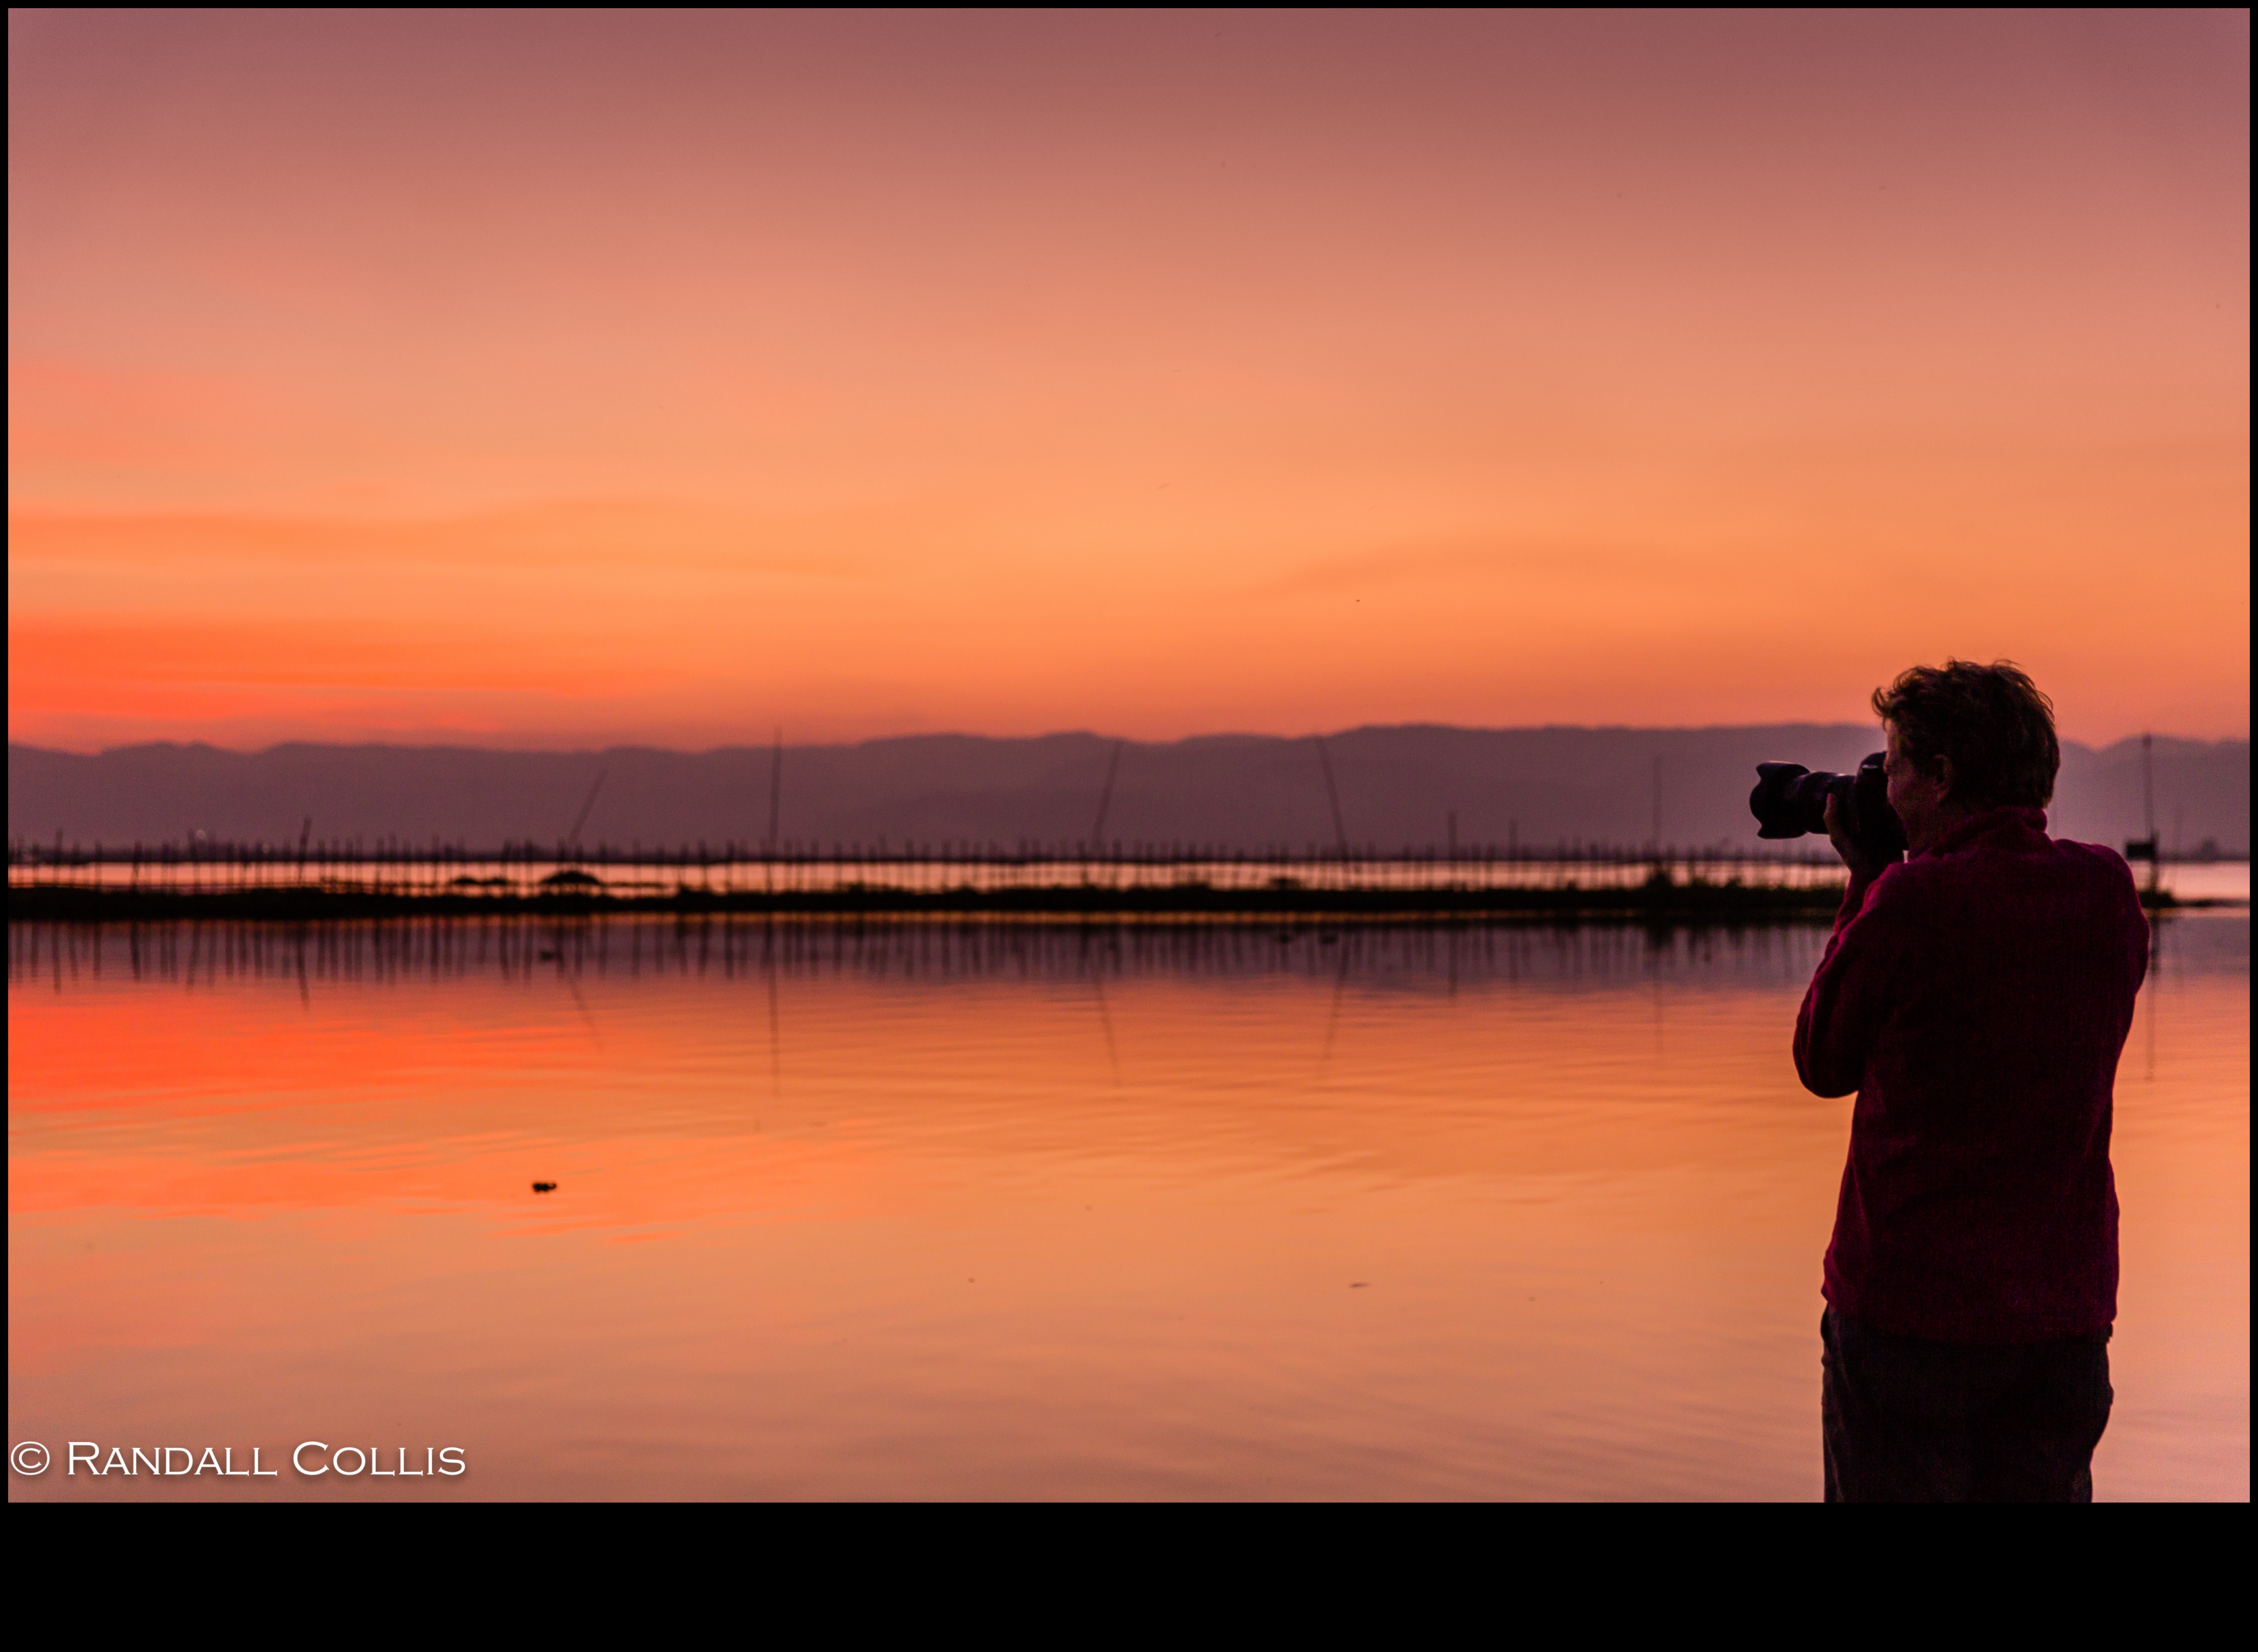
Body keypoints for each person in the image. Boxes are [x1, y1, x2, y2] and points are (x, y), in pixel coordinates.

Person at [1795, 660, 2149, 1502]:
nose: (1884, 791)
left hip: (1905, 1321)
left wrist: (1867, 878)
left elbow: (1821, 1060)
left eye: (1893, 767)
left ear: (1941, 776)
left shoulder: (1911, 902)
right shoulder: (2103, 892)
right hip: (2058, 1321)